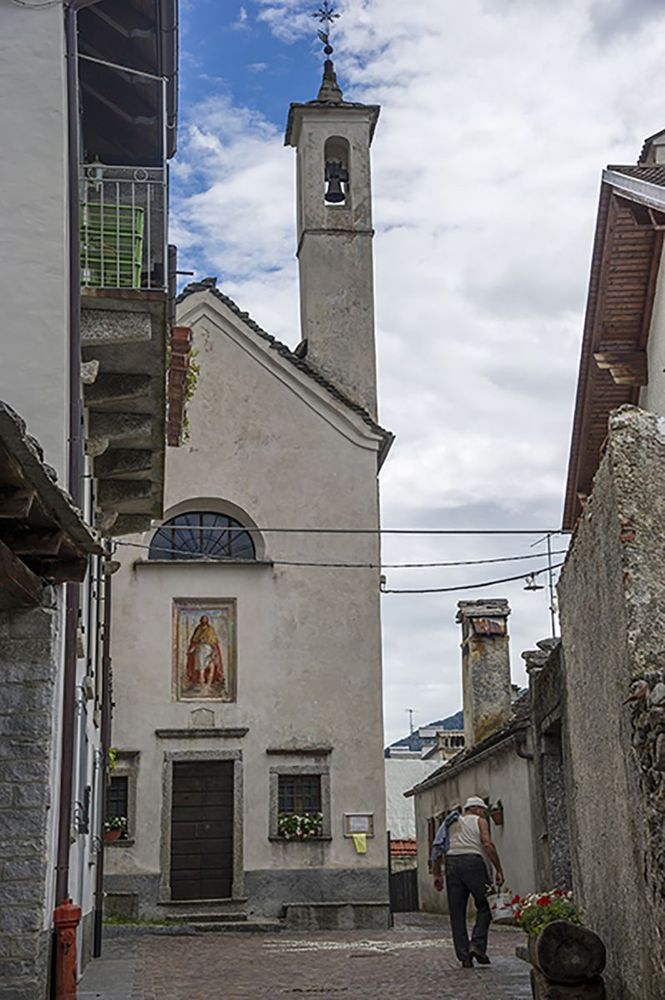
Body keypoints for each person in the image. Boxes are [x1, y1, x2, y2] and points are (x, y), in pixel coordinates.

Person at [431, 795, 504, 968]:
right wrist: (499, 868)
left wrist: (437, 875)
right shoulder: (479, 821)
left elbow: (437, 848)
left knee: (457, 913)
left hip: (452, 865)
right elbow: (487, 844)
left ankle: (464, 956)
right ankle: (477, 945)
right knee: (486, 904)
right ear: (478, 809)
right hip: (473, 863)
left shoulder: (449, 824)